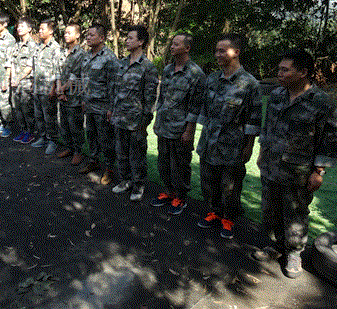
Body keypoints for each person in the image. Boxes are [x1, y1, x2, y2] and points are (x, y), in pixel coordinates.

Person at [254, 49, 337, 278]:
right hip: (271, 164)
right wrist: (261, 152)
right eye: (279, 69)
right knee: (270, 209)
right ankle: (277, 246)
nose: (279, 73)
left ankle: (294, 253)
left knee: (296, 214)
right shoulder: (276, 96)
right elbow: (267, 127)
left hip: (298, 171)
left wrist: (318, 171)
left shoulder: (321, 102)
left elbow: (330, 139)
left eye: (285, 70)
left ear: (303, 72)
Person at [196, 33, 262, 239]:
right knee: (208, 182)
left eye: (222, 51)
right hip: (209, 142)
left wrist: (249, 146)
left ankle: (229, 218)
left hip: (233, 145)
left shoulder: (249, 84)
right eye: (216, 51)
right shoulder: (212, 79)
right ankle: (214, 213)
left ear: (236, 52)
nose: (218, 54)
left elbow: (254, 119)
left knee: (230, 186)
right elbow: (205, 109)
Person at [151, 33, 205, 215]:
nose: (172, 47)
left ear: (187, 48)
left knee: (180, 165)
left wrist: (189, 131)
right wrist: (157, 119)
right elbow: (162, 98)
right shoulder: (168, 69)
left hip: (181, 129)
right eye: (172, 44)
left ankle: (180, 198)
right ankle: (168, 192)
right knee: (163, 163)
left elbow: (195, 106)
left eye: (176, 44)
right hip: (164, 126)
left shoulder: (196, 74)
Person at [110, 25, 158, 200]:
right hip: (119, 118)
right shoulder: (122, 63)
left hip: (136, 121)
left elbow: (150, 98)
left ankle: (138, 185)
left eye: (131, 38)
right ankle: (125, 181)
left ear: (141, 42)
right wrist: (112, 110)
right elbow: (115, 89)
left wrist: (144, 122)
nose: (127, 41)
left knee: (137, 155)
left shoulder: (148, 67)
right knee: (121, 153)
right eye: (127, 37)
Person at [79, 24, 119, 185]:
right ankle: (93, 161)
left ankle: (109, 169)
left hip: (103, 106)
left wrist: (111, 108)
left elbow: (114, 85)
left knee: (106, 140)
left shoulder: (109, 58)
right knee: (91, 135)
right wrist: (83, 99)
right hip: (89, 104)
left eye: (92, 35)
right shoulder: (87, 56)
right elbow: (84, 79)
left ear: (102, 38)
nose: (88, 38)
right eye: (87, 35)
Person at [56, 23, 87, 165]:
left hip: (74, 96)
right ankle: (69, 147)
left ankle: (78, 152)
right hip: (62, 95)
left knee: (75, 126)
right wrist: (59, 90)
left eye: (69, 32)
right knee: (64, 125)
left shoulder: (81, 54)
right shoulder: (62, 52)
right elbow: (58, 72)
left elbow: (75, 76)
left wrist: (62, 89)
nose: (66, 35)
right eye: (65, 32)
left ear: (78, 35)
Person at [31, 19, 62, 156]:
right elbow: (35, 67)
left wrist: (54, 88)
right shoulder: (38, 47)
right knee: (39, 116)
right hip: (38, 88)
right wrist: (33, 84)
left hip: (48, 89)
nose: (40, 31)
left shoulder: (55, 48)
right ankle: (43, 137)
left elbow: (57, 70)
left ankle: (52, 141)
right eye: (39, 29)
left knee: (50, 117)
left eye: (43, 29)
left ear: (51, 31)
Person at [11, 17, 37, 144]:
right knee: (18, 109)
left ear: (29, 29)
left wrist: (17, 78)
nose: (19, 28)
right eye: (18, 26)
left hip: (26, 82)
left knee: (27, 109)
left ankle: (31, 132)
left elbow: (30, 66)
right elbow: (12, 62)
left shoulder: (33, 45)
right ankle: (23, 130)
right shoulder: (16, 45)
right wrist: (12, 78)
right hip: (15, 82)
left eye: (22, 26)